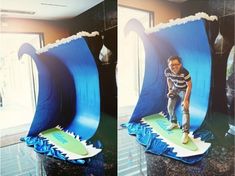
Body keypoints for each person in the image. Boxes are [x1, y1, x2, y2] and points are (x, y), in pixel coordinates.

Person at [164, 56, 192, 144]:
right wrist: (170, 89)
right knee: (170, 107)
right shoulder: (167, 71)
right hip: (175, 89)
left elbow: (189, 86)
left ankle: (185, 132)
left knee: (185, 109)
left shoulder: (185, 72)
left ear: (180, 65)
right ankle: (174, 122)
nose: (174, 67)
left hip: (184, 89)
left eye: (177, 64)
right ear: (168, 65)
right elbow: (168, 79)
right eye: (172, 65)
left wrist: (186, 100)